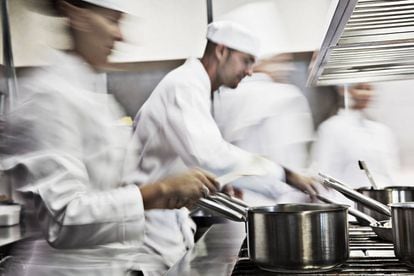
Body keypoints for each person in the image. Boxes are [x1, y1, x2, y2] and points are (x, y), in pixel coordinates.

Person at [0, 0, 219, 275]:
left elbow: (111, 193)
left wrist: (169, 191)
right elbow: (64, 220)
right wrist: (160, 191)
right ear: (75, 14)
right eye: (113, 20)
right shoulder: (47, 97)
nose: (121, 36)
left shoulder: (93, 96)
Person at [130, 20, 319, 266]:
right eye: (247, 60)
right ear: (221, 51)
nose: (251, 71)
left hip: (166, 231)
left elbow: (192, 158)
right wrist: (285, 174)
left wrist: (219, 183)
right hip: (149, 238)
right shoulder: (183, 85)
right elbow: (211, 155)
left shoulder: (195, 87)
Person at [212, 53, 316, 204]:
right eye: (280, 61)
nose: (288, 68)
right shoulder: (284, 95)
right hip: (277, 202)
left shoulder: (228, 96)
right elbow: (290, 161)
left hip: (243, 201)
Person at [311, 83, 400, 191]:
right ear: (343, 90)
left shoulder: (382, 131)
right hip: (349, 202)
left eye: (369, 89)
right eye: (359, 88)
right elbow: (323, 174)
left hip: (383, 201)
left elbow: (391, 174)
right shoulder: (331, 128)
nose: (365, 93)